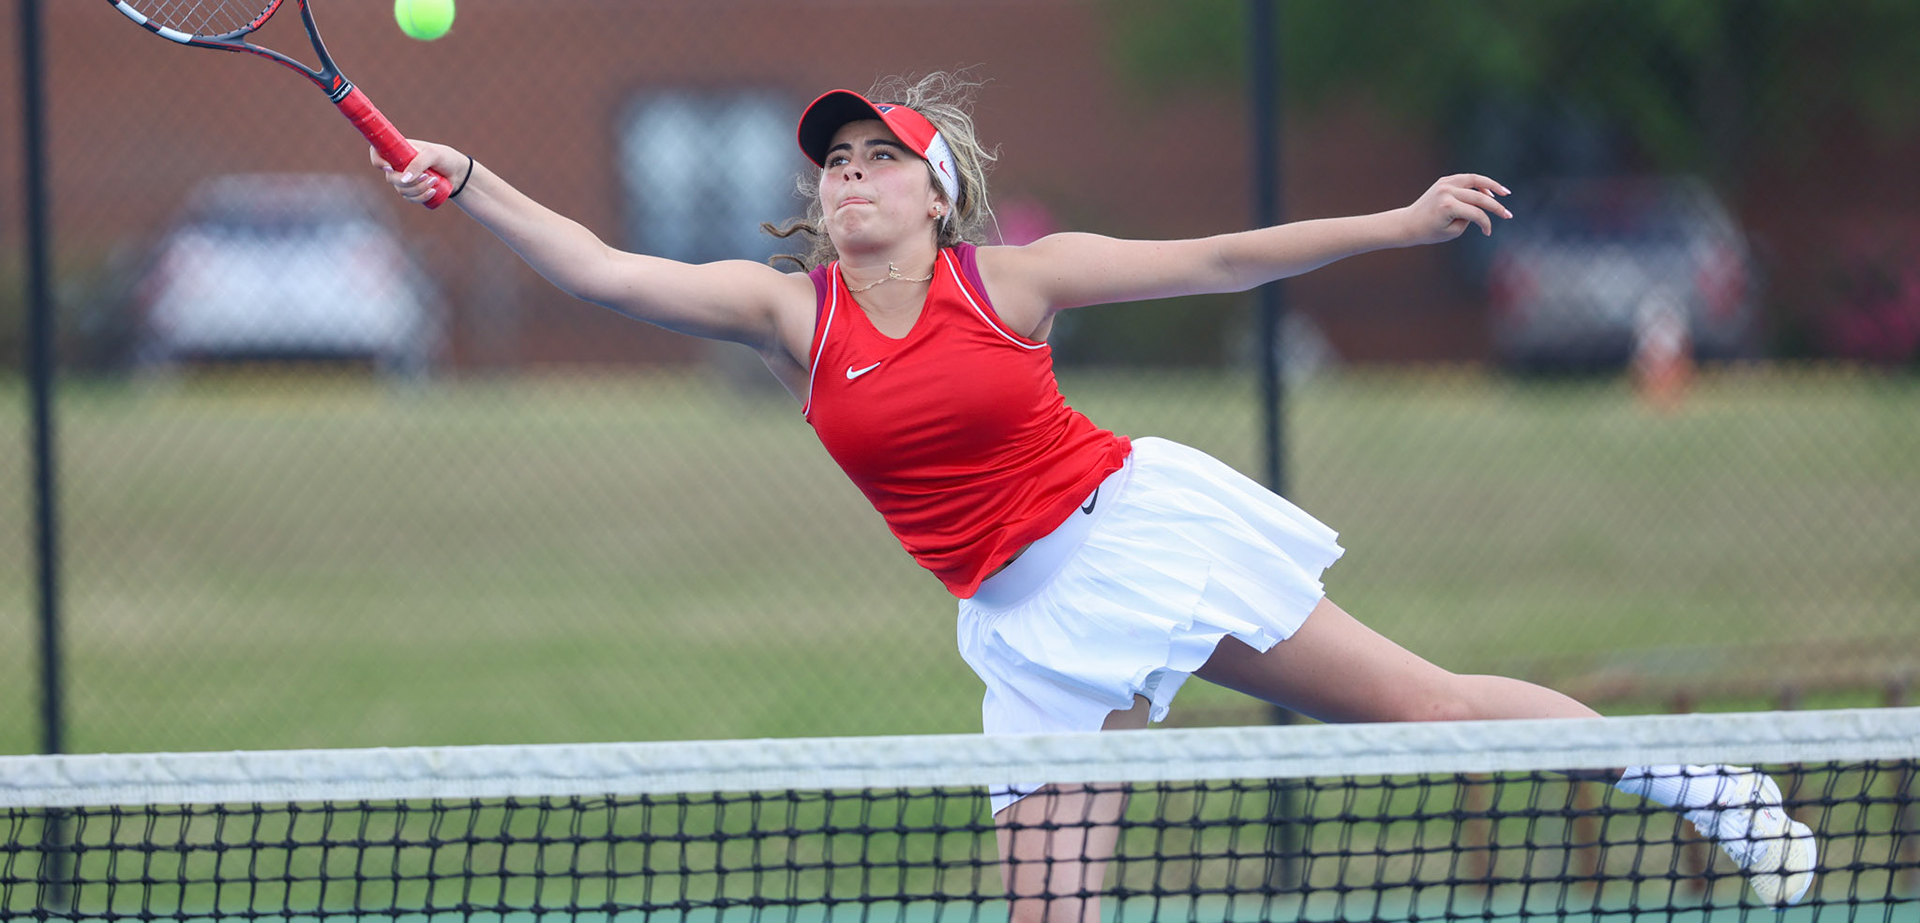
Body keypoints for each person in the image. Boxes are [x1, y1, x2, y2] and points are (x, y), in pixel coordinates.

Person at [374, 72, 1815, 918]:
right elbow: (604, 271)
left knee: (1421, 710)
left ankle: (1707, 782)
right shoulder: (785, 314)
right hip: (1025, 624)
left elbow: (1216, 259)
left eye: (884, 157)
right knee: (1050, 911)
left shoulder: (1011, 281)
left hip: (1132, 542)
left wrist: (1398, 220)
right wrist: (476, 178)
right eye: (837, 162)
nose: (855, 175)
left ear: (938, 195)